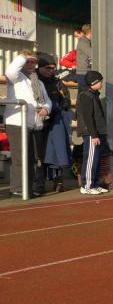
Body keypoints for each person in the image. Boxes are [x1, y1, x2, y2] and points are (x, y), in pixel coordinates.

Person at [3, 51, 51, 198]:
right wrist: (23, 56)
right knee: (20, 157)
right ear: (21, 62)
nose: (30, 64)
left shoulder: (38, 82)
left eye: (33, 62)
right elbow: (10, 71)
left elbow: (47, 101)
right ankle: (17, 188)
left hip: (34, 124)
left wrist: (46, 108)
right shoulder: (16, 77)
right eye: (27, 61)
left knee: (32, 158)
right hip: (17, 122)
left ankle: (28, 188)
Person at [36, 53, 73, 192]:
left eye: (53, 68)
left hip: (55, 121)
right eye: (47, 68)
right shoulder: (32, 81)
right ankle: (39, 184)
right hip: (38, 122)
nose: (51, 70)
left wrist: (59, 106)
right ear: (39, 67)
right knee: (40, 154)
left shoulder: (57, 82)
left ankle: (58, 183)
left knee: (58, 151)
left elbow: (66, 100)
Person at [76, 71, 108, 195]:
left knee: (95, 159)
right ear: (93, 82)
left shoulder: (93, 95)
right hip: (91, 133)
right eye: (100, 81)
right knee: (90, 158)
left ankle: (94, 184)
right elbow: (88, 117)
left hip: (96, 132)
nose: (101, 84)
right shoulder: (86, 95)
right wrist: (93, 135)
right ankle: (87, 185)